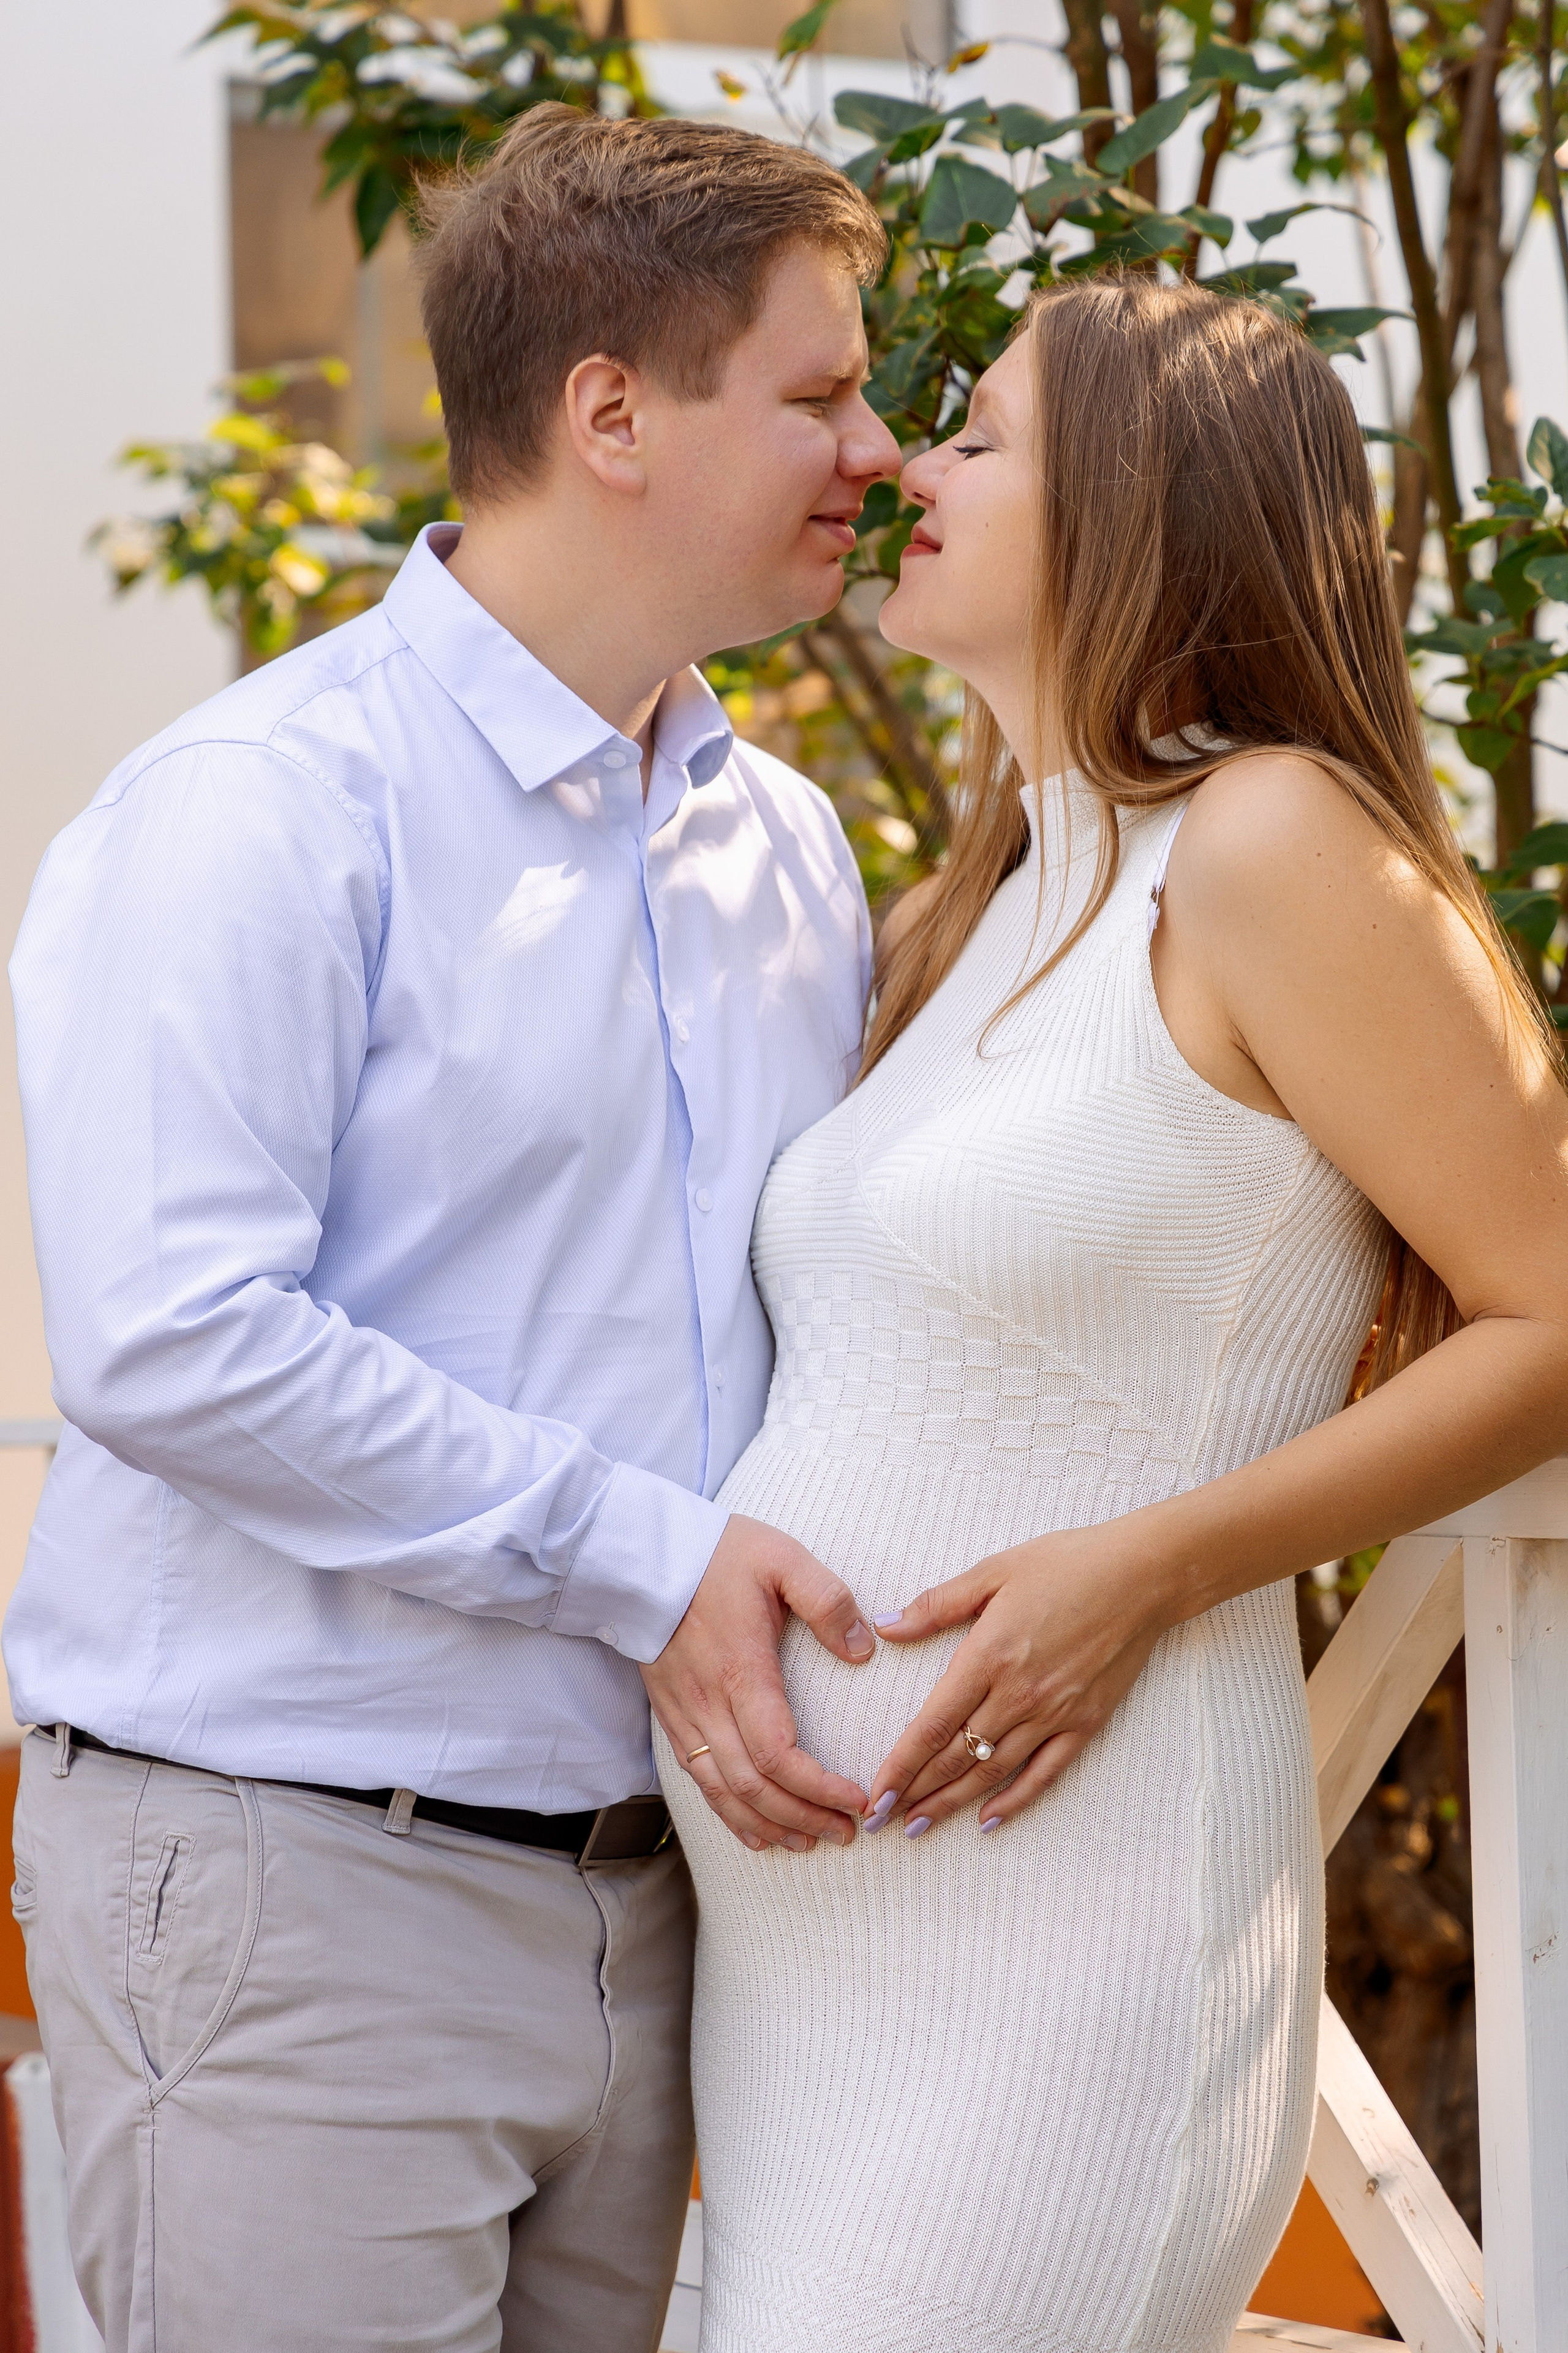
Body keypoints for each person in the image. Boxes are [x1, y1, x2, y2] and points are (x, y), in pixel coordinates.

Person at [6, 107, 899, 2353]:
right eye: (819, 392)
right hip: (301, 1884)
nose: (875, 449)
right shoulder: (254, 816)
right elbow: (172, 1334)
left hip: (672, 1908)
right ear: (611, 411)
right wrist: (645, 1554)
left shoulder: (789, 848)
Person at [655, 276, 1568, 2352]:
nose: (908, 468)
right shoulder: (977, 904)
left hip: (1074, 1916)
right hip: (821, 1975)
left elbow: (1554, 1308)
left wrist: (1155, 1565)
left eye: (978, 434)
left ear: (1146, 501)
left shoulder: (1268, 843)